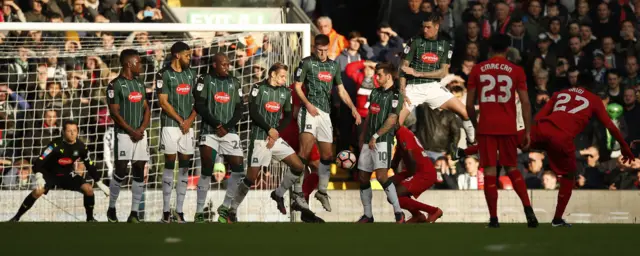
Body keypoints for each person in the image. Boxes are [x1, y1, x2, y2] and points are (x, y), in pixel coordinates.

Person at [529, 73, 635, 227]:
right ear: (591, 88)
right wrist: (625, 147)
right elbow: (610, 126)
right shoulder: (593, 99)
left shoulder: (559, 94)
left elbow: (539, 116)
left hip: (541, 129)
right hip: (561, 137)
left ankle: (485, 148)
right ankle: (557, 219)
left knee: (514, 143)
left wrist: (531, 135)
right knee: (569, 175)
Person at [232, 63, 323, 223]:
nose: (284, 79)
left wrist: (276, 131)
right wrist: (269, 129)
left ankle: (279, 193)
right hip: (260, 138)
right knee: (251, 178)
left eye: (285, 76)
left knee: (299, 166)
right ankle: (232, 209)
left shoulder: (286, 92)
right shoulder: (257, 88)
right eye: (281, 76)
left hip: (275, 138)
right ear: (272, 74)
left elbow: (288, 115)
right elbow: (253, 112)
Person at [465, 34, 538, 228]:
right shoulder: (516, 70)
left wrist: (475, 123)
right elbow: (525, 102)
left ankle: (494, 218)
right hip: (508, 127)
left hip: (487, 126)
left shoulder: (478, 69)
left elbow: (469, 104)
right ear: (507, 50)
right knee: (512, 168)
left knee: (489, 170)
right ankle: (528, 209)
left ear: (489, 50)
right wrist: (528, 131)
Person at [294, 34, 362, 212]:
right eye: (319, 50)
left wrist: (353, 108)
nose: (323, 53)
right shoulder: (306, 63)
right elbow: (297, 86)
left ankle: (322, 192)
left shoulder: (333, 65)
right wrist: (307, 104)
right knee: (304, 153)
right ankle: (297, 193)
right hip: (309, 111)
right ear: (314, 48)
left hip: (325, 114)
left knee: (327, 156)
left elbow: (341, 89)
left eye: (325, 50)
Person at [398, 12, 475, 145]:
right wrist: (402, 90)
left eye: (428, 27)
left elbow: (443, 72)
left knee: (465, 112)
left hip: (433, 87)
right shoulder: (414, 41)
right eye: (423, 27)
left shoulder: (445, 45)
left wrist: (418, 73)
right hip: (413, 88)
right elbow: (403, 67)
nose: (425, 30)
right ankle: (394, 152)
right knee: (395, 124)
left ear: (437, 27)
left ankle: (473, 143)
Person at [10, 120, 101, 222]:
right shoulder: (54, 145)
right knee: (38, 191)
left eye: (74, 131)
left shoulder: (81, 147)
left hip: (67, 174)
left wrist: (99, 182)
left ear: (78, 132)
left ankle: (90, 219)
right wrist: (39, 176)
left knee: (88, 189)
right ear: (63, 132)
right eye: (69, 131)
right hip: (50, 174)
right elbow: (39, 162)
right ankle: (16, 217)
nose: (72, 133)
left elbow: (89, 165)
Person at [192, 53, 245, 223]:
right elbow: (199, 105)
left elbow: (240, 108)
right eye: (223, 64)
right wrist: (216, 124)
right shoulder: (204, 80)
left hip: (229, 131)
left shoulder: (234, 81)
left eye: (228, 64)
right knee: (207, 170)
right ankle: (199, 211)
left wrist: (227, 127)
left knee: (238, 169)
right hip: (209, 131)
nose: (226, 67)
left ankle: (225, 205)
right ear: (214, 64)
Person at [105, 49, 151, 223]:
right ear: (128, 64)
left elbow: (147, 107)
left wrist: (142, 128)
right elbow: (114, 113)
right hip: (124, 135)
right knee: (121, 170)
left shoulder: (139, 84)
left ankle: (134, 213)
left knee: (139, 169)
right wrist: (131, 131)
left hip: (140, 134)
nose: (140, 66)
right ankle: (111, 209)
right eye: (138, 63)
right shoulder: (114, 85)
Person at [356, 63, 405, 223]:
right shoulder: (375, 92)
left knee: (381, 176)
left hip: (383, 140)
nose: (376, 77)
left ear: (389, 76)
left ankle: (398, 212)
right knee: (363, 177)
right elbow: (370, 115)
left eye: (379, 75)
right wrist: (363, 136)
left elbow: (392, 119)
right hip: (369, 140)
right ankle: (368, 215)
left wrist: (375, 136)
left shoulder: (397, 95)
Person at [156, 41, 197, 223]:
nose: (190, 58)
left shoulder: (192, 74)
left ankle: (179, 211)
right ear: (177, 55)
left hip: (188, 127)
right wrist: (181, 120)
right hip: (171, 125)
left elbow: (199, 101)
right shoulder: (163, 74)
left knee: (185, 167)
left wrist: (189, 121)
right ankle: (166, 211)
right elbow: (163, 102)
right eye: (187, 55)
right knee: (169, 164)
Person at [390, 126, 442, 223]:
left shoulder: (402, 133)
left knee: (395, 195)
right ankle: (417, 215)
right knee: (390, 185)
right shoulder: (400, 133)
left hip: (424, 173)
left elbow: (410, 157)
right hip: (416, 170)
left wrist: (410, 177)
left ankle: (433, 211)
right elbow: (396, 161)